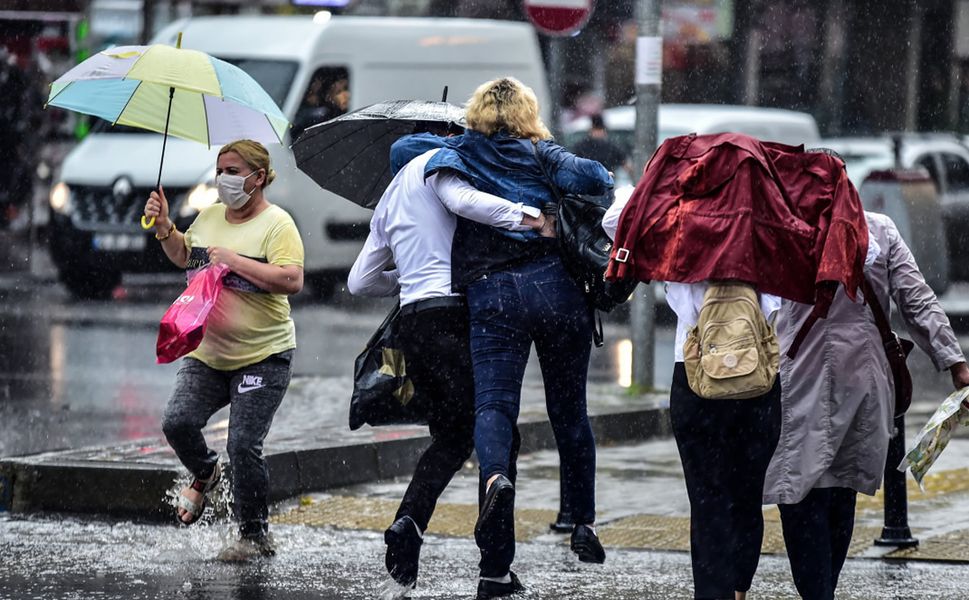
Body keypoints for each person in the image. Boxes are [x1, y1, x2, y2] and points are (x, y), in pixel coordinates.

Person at [416, 77, 613, 599]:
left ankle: (496, 478)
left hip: (492, 292)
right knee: (569, 409)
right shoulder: (542, 152)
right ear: (528, 114)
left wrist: (450, 136)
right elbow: (597, 179)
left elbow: (407, 153)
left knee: (494, 405)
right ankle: (583, 521)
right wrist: (547, 155)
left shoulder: (458, 152)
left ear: (476, 114)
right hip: (557, 290)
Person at [347, 124, 549, 597]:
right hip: (455, 316)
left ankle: (409, 523)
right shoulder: (436, 165)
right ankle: (494, 569)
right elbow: (465, 203)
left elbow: (359, 282)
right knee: (497, 430)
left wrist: (409, 279)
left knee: (454, 436)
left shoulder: (391, 194)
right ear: (444, 139)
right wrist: (532, 218)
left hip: (417, 321)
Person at [765, 210, 969, 600]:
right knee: (841, 491)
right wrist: (954, 361)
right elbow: (916, 299)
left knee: (799, 491)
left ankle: (818, 593)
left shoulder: (784, 228)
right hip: (864, 379)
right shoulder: (879, 228)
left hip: (799, 377)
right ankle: (823, 590)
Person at [602, 190, 782, 600]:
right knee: (746, 494)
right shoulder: (767, 226)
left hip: (697, 380)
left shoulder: (680, 229)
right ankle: (737, 587)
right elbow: (866, 252)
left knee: (707, 498)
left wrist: (662, 189)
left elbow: (616, 220)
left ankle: (713, 592)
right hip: (758, 384)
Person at [143, 139, 304, 562]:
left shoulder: (278, 224)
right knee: (177, 422)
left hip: (263, 357)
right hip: (208, 355)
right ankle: (206, 472)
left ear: (258, 176)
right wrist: (164, 228)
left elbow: (291, 280)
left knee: (244, 445)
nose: (224, 179)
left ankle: (254, 534)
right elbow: (185, 257)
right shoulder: (210, 215)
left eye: (233, 171)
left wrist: (235, 260)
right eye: (220, 170)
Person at [571, 114, 632, 182]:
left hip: (607, 183)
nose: (598, 133)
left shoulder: (611, 147)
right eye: (597, 130)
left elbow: (626, 164)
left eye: (600, 130)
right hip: (587, 183)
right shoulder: (581, 146)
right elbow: (574, 165)